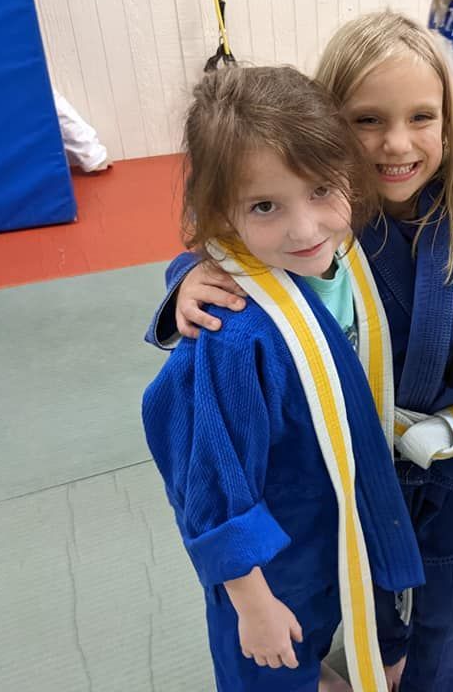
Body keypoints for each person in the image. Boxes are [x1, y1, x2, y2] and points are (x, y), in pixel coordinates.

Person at [146, 12, 453, 691]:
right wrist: (187, 279)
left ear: (450, 119)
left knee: (446, 616)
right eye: (366, 121)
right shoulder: (323, 221)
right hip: (356, 467)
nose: (397, 144)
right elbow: (238, 247)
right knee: (365, 601)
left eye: (421, 118)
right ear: (324, 131)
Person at [141, 65, 424, 692]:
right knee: (273, 663)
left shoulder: (350, 261)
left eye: (322, 190)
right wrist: (251, 602)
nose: (304, 228)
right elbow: (208, 479)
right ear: (218, 213)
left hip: (352, 515)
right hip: (276, 557)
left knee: (356, 626)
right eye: (265, 205)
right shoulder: (231, 333)